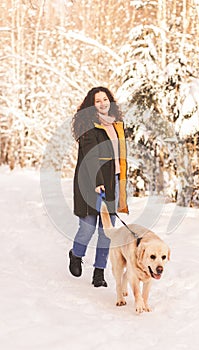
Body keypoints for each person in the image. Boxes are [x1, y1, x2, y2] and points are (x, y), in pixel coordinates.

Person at [69, 86, 128, 287]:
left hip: (113, 182)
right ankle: (76, 254)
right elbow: (90, 155)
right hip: (90, 183)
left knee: (107, 231)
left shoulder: (117, 125)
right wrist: (98, 181)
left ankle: (99, 272)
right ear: (91, 105)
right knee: (87, 228)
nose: (102, 103)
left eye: (105, 99)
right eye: (97, 101)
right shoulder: (88, 125)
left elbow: (119, 157)